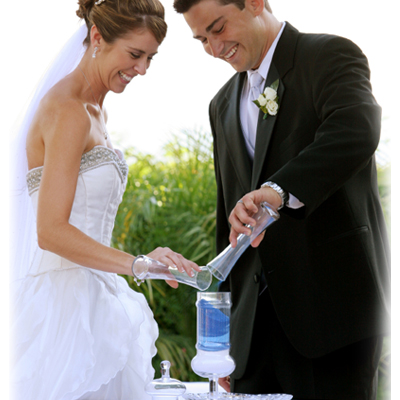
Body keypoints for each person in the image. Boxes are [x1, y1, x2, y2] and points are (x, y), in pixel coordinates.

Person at [173, 0, 390, 398]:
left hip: (330, 320)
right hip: (252, 339)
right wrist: (227, 341)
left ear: (255, 3)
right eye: (201, 39)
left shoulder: (329, 55)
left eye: (218, 28)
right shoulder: (220, 105)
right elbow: (231, 224)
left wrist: (276, 190)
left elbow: (356, 129)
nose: (213, 48)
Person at [10, 0, 200, 399]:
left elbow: (85, 224)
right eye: (135, 54)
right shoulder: (69, 111)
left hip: (97, 300)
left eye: (150, 58)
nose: (143, 69)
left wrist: (147, 257)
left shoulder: (97, 112)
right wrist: (139, 265)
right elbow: (51, 232)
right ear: (97, 37)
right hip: (64, 315)